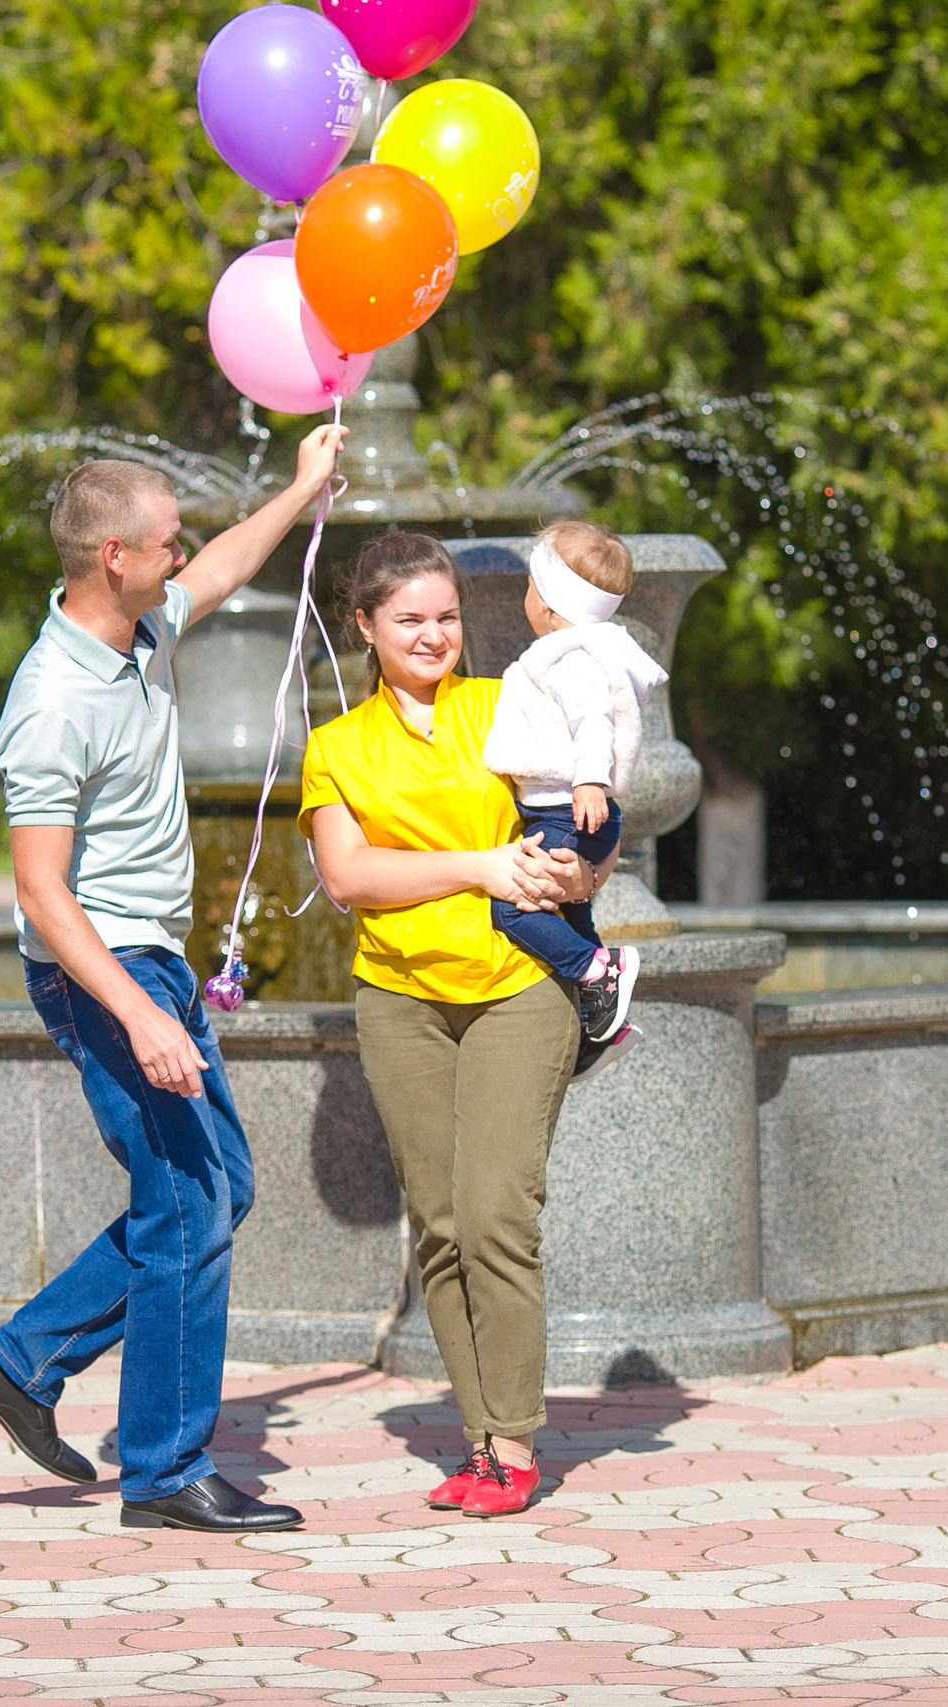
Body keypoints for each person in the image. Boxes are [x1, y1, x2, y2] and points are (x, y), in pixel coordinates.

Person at [0, 426, 346, 1535]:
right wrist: (136, 1014)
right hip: (103, 971)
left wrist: (302, 487)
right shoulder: (50, 701)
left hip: (151, 960)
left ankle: (21, 1362)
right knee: (185, 1206)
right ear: (112, 555)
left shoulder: (143, 625)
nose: (185, 553)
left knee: (219, 1191)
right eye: (167, 541)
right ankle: (165, 1471)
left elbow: (221, 569)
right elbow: (41, 893)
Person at [300, 532, 620, 1523]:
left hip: (517, 985)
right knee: (439, 1227)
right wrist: (480, 868)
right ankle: (481, 1439)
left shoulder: (506, 701)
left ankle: (513, 1443)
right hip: (400, 998)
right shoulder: (336, 746)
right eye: (409, 619)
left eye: (446, 616)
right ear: (365, 625)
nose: (433, 635)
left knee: (495, 1217)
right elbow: (349, 876)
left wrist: (585, 872)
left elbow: (586, 817)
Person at [481, 521, 667, 1044]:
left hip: (566, 812)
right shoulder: (586, 651)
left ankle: (596, 969)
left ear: (545, 603)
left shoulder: (571, 660)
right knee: (573, 916)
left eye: (529, 585)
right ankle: (598, 1020)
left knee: (513, 908)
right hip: (573, 814)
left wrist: (588, 780)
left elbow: (593, 721)